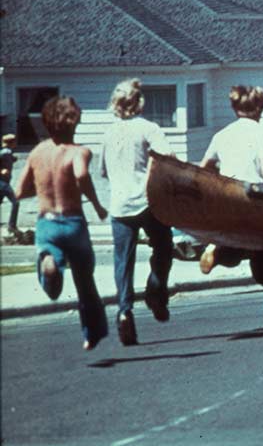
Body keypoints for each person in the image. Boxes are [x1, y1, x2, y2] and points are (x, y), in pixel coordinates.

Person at [200, 86, 263, 329]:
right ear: (260, 107)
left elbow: (205, 167)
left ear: (234, 108)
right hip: (255, 200)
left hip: (228, 199)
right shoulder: (262, 133)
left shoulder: (222, 135)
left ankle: (218, 252)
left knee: (240, 245)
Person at [15, 96, 109, 351]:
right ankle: (91, 334)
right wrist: (98, 205)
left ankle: (50, 263)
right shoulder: (80, 152)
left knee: (53, 288)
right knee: (85, 281)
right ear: (74, 122)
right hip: (73, 222)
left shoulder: (37, 153)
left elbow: (19, 191)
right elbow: (81, 175)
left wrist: (45, 187)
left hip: (47, 223)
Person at [99, 79, 174, 346]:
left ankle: (124, 311)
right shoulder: (149, 128)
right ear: (139, 102)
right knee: (164, 247)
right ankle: (155, 288)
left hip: (120, 205)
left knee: (123, 261)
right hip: (147, 201)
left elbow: (103, 171)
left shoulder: (108, 134)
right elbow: (169, 158)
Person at [1, 133, 20, 234]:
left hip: (4, 182)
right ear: (11, 143)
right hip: (2, 183)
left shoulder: (8, 152)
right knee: (15, 202)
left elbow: (10, 159)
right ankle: (11, 226)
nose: (16, 143)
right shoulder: (4, 152)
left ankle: (11, 226)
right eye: (14, 142)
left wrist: (13, 159)